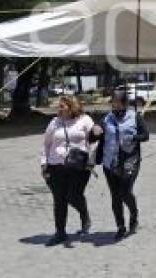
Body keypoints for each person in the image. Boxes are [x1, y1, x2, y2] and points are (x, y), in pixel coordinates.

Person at [93, 89, 150, 241]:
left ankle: (134, 213)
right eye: (113, 102)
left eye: (117, 102)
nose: (115, 105)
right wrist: (95, 131)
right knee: (115, 196)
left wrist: (133, 137)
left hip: (130, 160)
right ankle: (120, 226)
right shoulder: (107, 118)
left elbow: (146, 136)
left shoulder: (135, 117)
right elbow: (95, 135)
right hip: (110, 162)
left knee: (125, 191)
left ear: (125, 102)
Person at [40, 95, 95, 247]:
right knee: (59, 200)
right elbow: (46, 144)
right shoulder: (54, 123)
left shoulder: (85, 120)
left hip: (79, 166)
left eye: (62, 106)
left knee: (73, 195)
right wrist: (44, 164)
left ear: (72, 107)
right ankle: (60, 232)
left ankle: (84, 215)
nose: (59, 108)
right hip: (55, 166)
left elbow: (94, 140)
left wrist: (91, 160)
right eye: (59, 106)